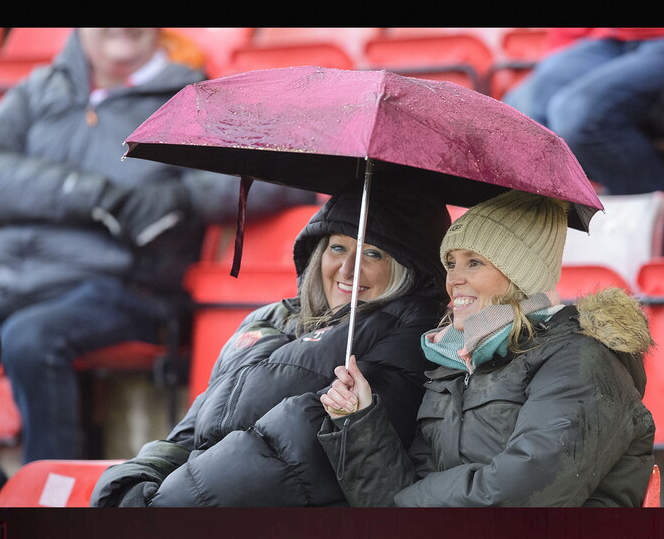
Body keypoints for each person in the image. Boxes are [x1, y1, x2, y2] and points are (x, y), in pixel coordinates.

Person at [0, 28, 314, 469]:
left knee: (31, 338)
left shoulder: (193, 95)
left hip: (126, 285)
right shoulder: (38, 90)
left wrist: (184, 197)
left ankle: (49, 487)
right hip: (15, 274)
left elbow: (279, 173)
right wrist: (88, 194)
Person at [90, 178, 452, 507]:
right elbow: (192, 430)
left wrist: (168, 507)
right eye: (338, 248)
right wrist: (136, 480)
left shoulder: (408, 335)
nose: (347, 269)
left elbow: (294, 453)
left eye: (373, 254)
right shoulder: (268, 319)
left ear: (410, 269)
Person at [318, 189, 656, 506]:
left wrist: (408, 501)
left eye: (474, 263)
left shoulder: (582, 357)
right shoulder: (453, 362)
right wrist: (360, 423)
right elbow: (395, 498)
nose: (454, 279)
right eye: (451, 263)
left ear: (521, 274)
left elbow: (523, 492)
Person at [502, 28, 664, 250]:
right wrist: (562, 57)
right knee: (517, 114)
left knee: (575, 116)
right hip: (609, 38)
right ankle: (559, 236)